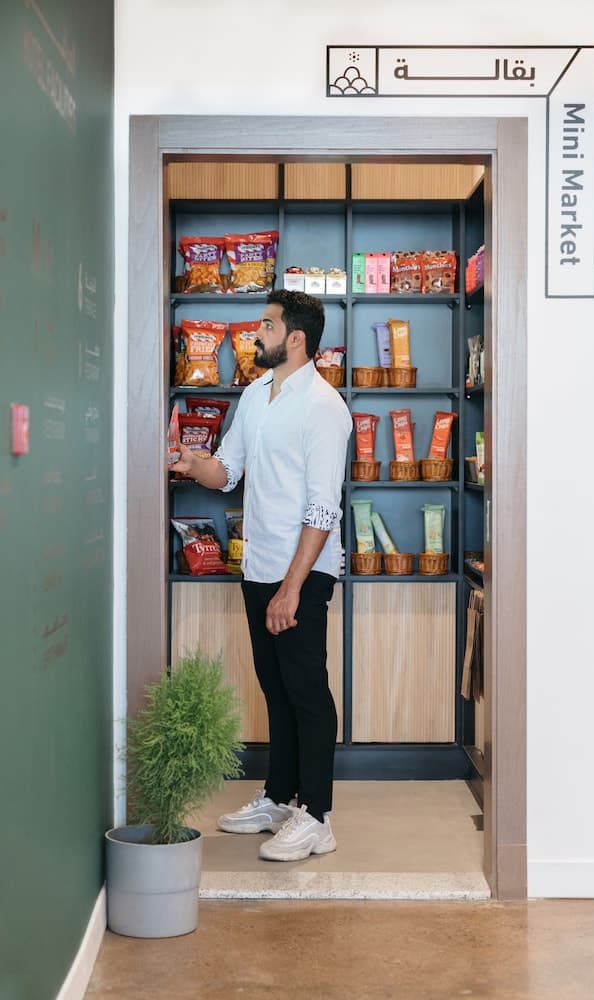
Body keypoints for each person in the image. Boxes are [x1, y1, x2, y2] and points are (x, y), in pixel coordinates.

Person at [170, 290, 352, 861]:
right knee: (275, 687)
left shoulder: (324, 407)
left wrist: (292, 588)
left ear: (296, 338)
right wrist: (190, 463)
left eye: (267, 326)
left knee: (307, 691)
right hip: (259, 565)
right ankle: (279, 798)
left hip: (304, 571)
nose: (257, 333)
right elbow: (227, 472)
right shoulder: (254, 395)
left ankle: (316, 816)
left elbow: (323, 508)